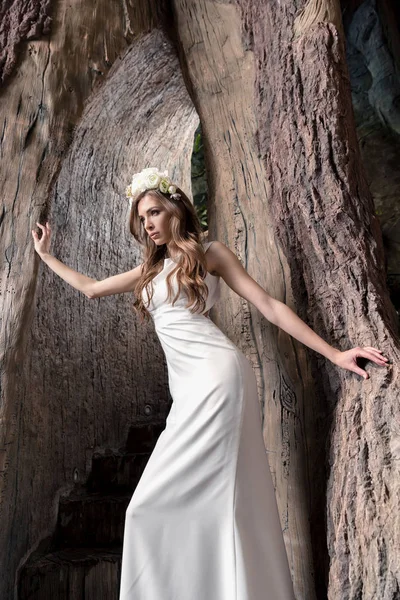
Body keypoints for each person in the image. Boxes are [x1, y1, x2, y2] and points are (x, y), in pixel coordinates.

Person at [32, 167, 389, 600]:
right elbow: (90, 289)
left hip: (219, 379)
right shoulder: (149, 271)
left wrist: (335, 353)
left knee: (222, 498)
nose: (148, 223)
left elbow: (269, 306)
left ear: (176, 208)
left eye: (155, 212)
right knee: (148, 508)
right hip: (187, 393)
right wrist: (47, 256)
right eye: (142, 218)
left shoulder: (209, 253)